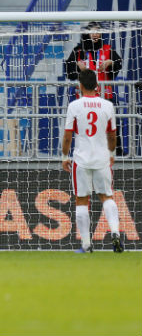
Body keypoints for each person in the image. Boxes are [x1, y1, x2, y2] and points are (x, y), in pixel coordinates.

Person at [62, 69, 123, 253]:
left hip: (81, 160)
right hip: (102, 159)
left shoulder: (74, 105)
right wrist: (111, 153)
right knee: (107, 196)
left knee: (81, 199)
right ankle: (115, 233)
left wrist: (65, 156)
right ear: (97, 84)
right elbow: (112, 134)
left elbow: (67, 136)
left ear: (80, 85)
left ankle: (87, 245)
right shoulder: (107, 105)